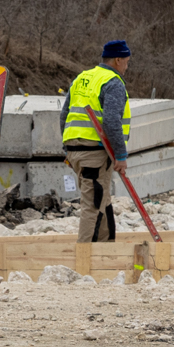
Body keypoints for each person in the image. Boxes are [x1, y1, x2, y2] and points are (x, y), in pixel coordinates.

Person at [62, 40, 134, 244]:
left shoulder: (82, 78)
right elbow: (111, 121)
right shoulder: (112, 82)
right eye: (127, 62)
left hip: (76, 151)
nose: (127, 67)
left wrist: (67, 148)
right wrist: (121, 155)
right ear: (118, 60)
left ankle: (105, 251)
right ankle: (84, 260)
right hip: (94, 154)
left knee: (102, 201)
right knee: (92, 206)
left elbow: (64, 114)